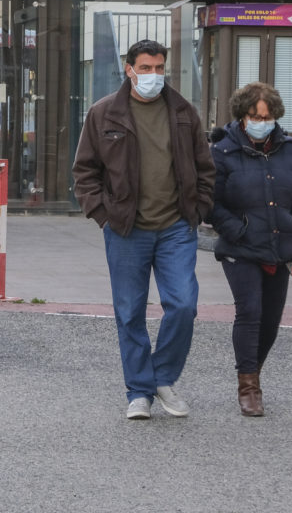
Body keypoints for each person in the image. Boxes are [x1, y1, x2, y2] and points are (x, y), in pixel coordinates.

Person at [72, 39, 215, 421]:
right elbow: (84, 173)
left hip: (175, 228)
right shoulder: (104, 113)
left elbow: (205, 168)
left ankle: (161, 377)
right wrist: (103, 215)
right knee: (130, 312)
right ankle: (139, 392)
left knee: (183, 305)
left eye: (159, 68)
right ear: (129, 69)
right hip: (125, 230)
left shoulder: (184, 113)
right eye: (146, 68)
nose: (153, 75)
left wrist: (198, 210)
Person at [207, 82, 292, 417]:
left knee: (270, 322)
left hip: (279, 244)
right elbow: (211, 203)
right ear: (242, 115)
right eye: (254, 115)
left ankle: (254, 370)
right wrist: (237, 229)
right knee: (249, 312)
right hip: (241, 246)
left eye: (266, 116)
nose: (261, 122)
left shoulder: (290, 149)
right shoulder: (222, 150)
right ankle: (248, 388)